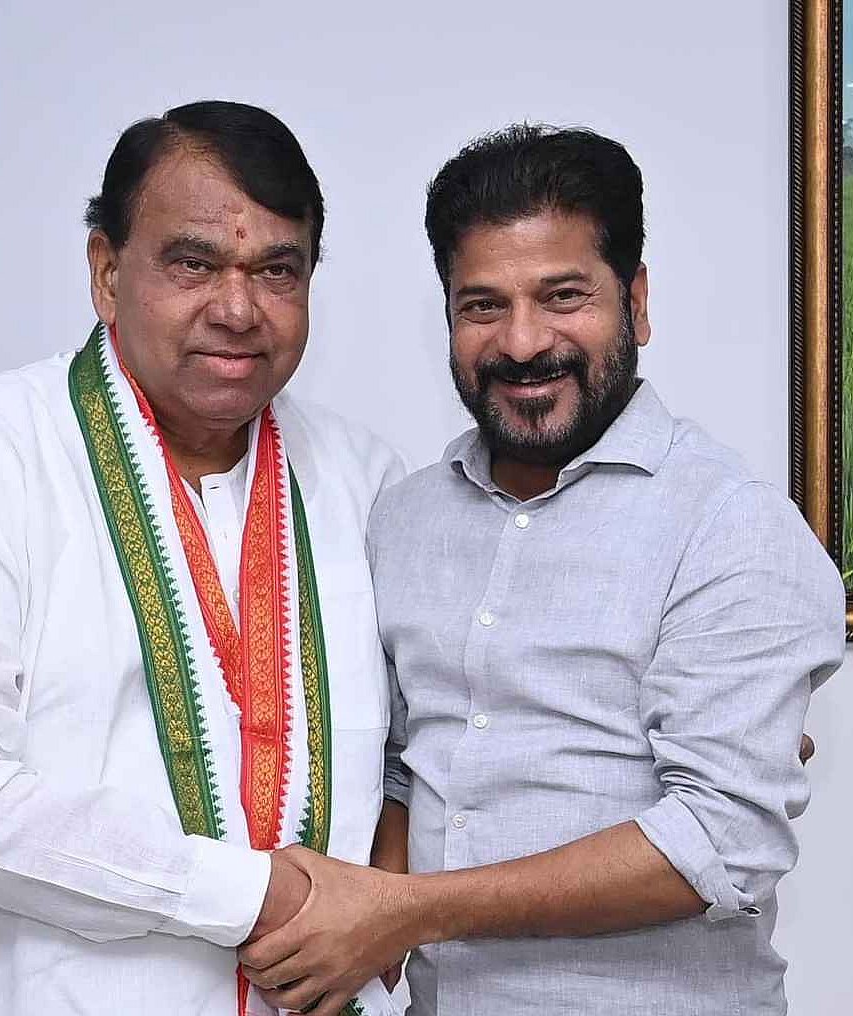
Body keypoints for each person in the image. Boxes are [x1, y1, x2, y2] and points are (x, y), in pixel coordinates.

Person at [239, 125, 847, 1016]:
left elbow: (721, 838)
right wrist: (360, 932)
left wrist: (405, 911)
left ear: (637, 303)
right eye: (482, 306)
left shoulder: (731, 526)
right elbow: (402, 765)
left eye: (563, 296)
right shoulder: (405, 519)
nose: (523, 343)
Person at [0, 101, 405, 1016]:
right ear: (106, 272)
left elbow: (422, 758)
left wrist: (388, 914)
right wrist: (258, 895)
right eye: (193, 263)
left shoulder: (363, 479)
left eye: (277, 270)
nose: (238, 309)